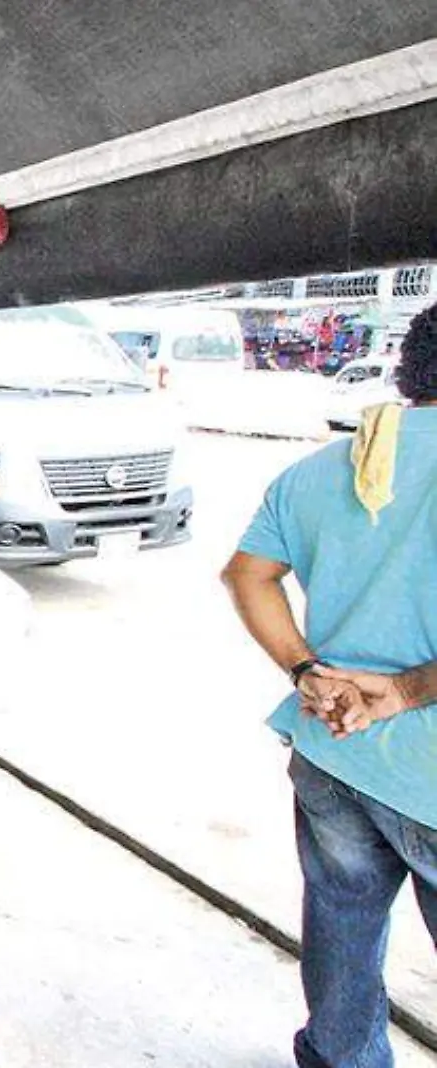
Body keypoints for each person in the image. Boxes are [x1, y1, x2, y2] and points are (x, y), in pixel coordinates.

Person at [222, 302, 437, 1068]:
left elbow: (248, 576)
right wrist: (407, 691)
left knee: (343, 922)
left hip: (333, 751)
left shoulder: (328, 465)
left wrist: (306, 670)